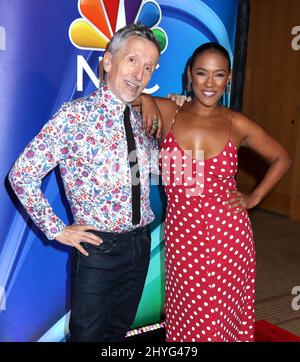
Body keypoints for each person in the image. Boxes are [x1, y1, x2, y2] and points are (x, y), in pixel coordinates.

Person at [8, 24, 161, 342]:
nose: (140, 73)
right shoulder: (74, 117)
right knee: (88, 337)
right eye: (132, 60)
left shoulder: (141, 118)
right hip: (99, 250)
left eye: (148, 67)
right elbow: (21, 175)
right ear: (108, 61)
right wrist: (57, 229)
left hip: (140, 245)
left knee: (117, 334)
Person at [139, 42, 292, 342]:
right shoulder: (170, 112)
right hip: (183, 237)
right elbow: (124, 97)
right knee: (185, 314)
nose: (209, 84)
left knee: (217, 317)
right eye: (202, 73)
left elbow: (282, 157)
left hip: (227, 237)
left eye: (218, 75)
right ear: (189, 75)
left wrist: (254, 198)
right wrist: (144, 98)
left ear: (229, 78)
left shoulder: (238, 124)